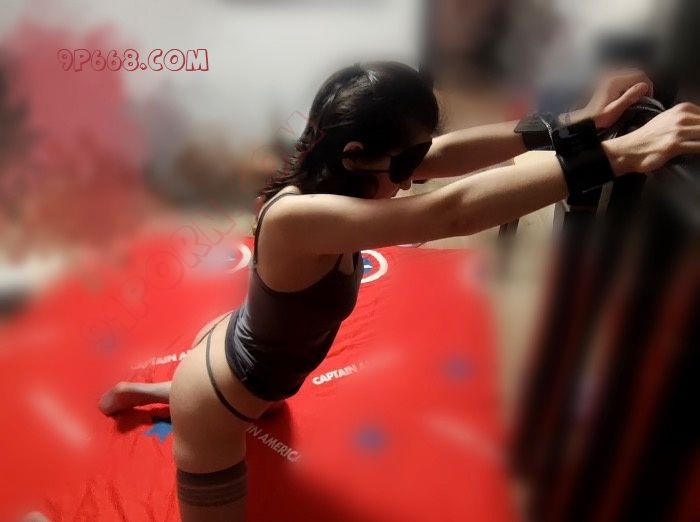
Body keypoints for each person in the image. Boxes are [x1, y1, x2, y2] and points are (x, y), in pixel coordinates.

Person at [98, 61, 700, 521]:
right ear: (357, 154)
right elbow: (446, 213)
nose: (414, 177)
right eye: (406, 163)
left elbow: (450, 155)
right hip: (218, 400)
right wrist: (619, 155)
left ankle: (158, 390)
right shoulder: (297, 218)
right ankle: (177, 396)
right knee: (224, 407)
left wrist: (576, 126)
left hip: (253, 361)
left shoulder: (345, 167)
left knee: (262, 398)